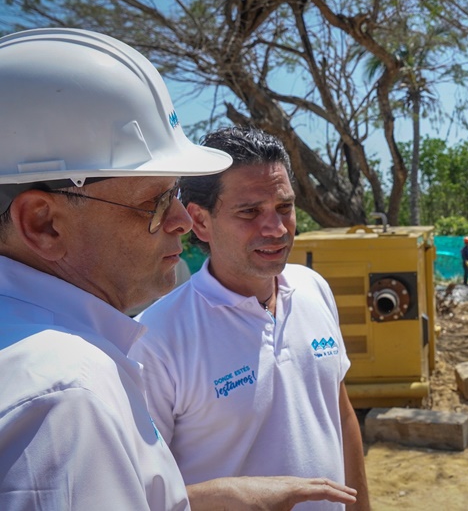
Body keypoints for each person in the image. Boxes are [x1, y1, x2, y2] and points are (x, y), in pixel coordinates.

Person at [0, 28, 357, 511]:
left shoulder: (80, 354)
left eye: (285, 207)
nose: (180, 220)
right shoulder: (67, 392)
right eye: (155, 201)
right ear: (43, 223)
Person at [130, 126, 370, 510]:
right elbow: (136, 492)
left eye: (284, 208)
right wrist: (223, 496)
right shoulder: (155, 339)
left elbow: (340, 417)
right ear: (200, 221)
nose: (275, 229)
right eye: (249, 212)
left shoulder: (314, 290)